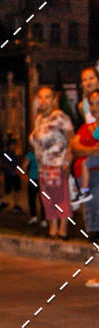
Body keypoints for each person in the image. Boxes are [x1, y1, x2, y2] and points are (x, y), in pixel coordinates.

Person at [30, 85, 74, 240]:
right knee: (47, 200)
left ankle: (62, 230)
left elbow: (71, 138)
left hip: (58, 165)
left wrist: (68, 161)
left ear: (54, 99)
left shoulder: (59, 117)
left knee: (61, 198)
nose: (43, 101)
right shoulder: (39, 119)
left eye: (47, 97)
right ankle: (52, 229)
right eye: (41, 97)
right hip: (43, 167)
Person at [71, 88, 99, 245]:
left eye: (98, 104)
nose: (95, 108)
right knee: (90, 201)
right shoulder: (86, 127)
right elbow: (74, 147)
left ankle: (95, 230)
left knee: (96, 198)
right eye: (92, 104)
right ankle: (93, 231)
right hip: (85, 173)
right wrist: (92, 150)